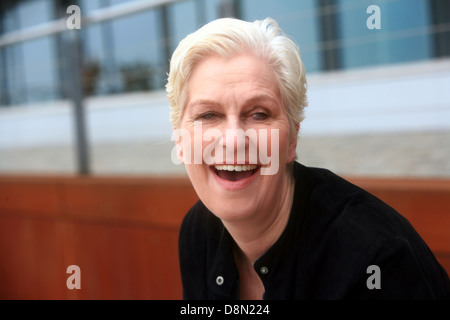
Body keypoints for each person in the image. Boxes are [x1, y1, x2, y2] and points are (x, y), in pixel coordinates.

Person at [166, 17, 450, 300]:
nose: (234, 139)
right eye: (208, 115)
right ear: (180, 140)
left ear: (292, 140)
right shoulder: (198, 231)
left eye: (259, 114)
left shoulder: (376, 261)